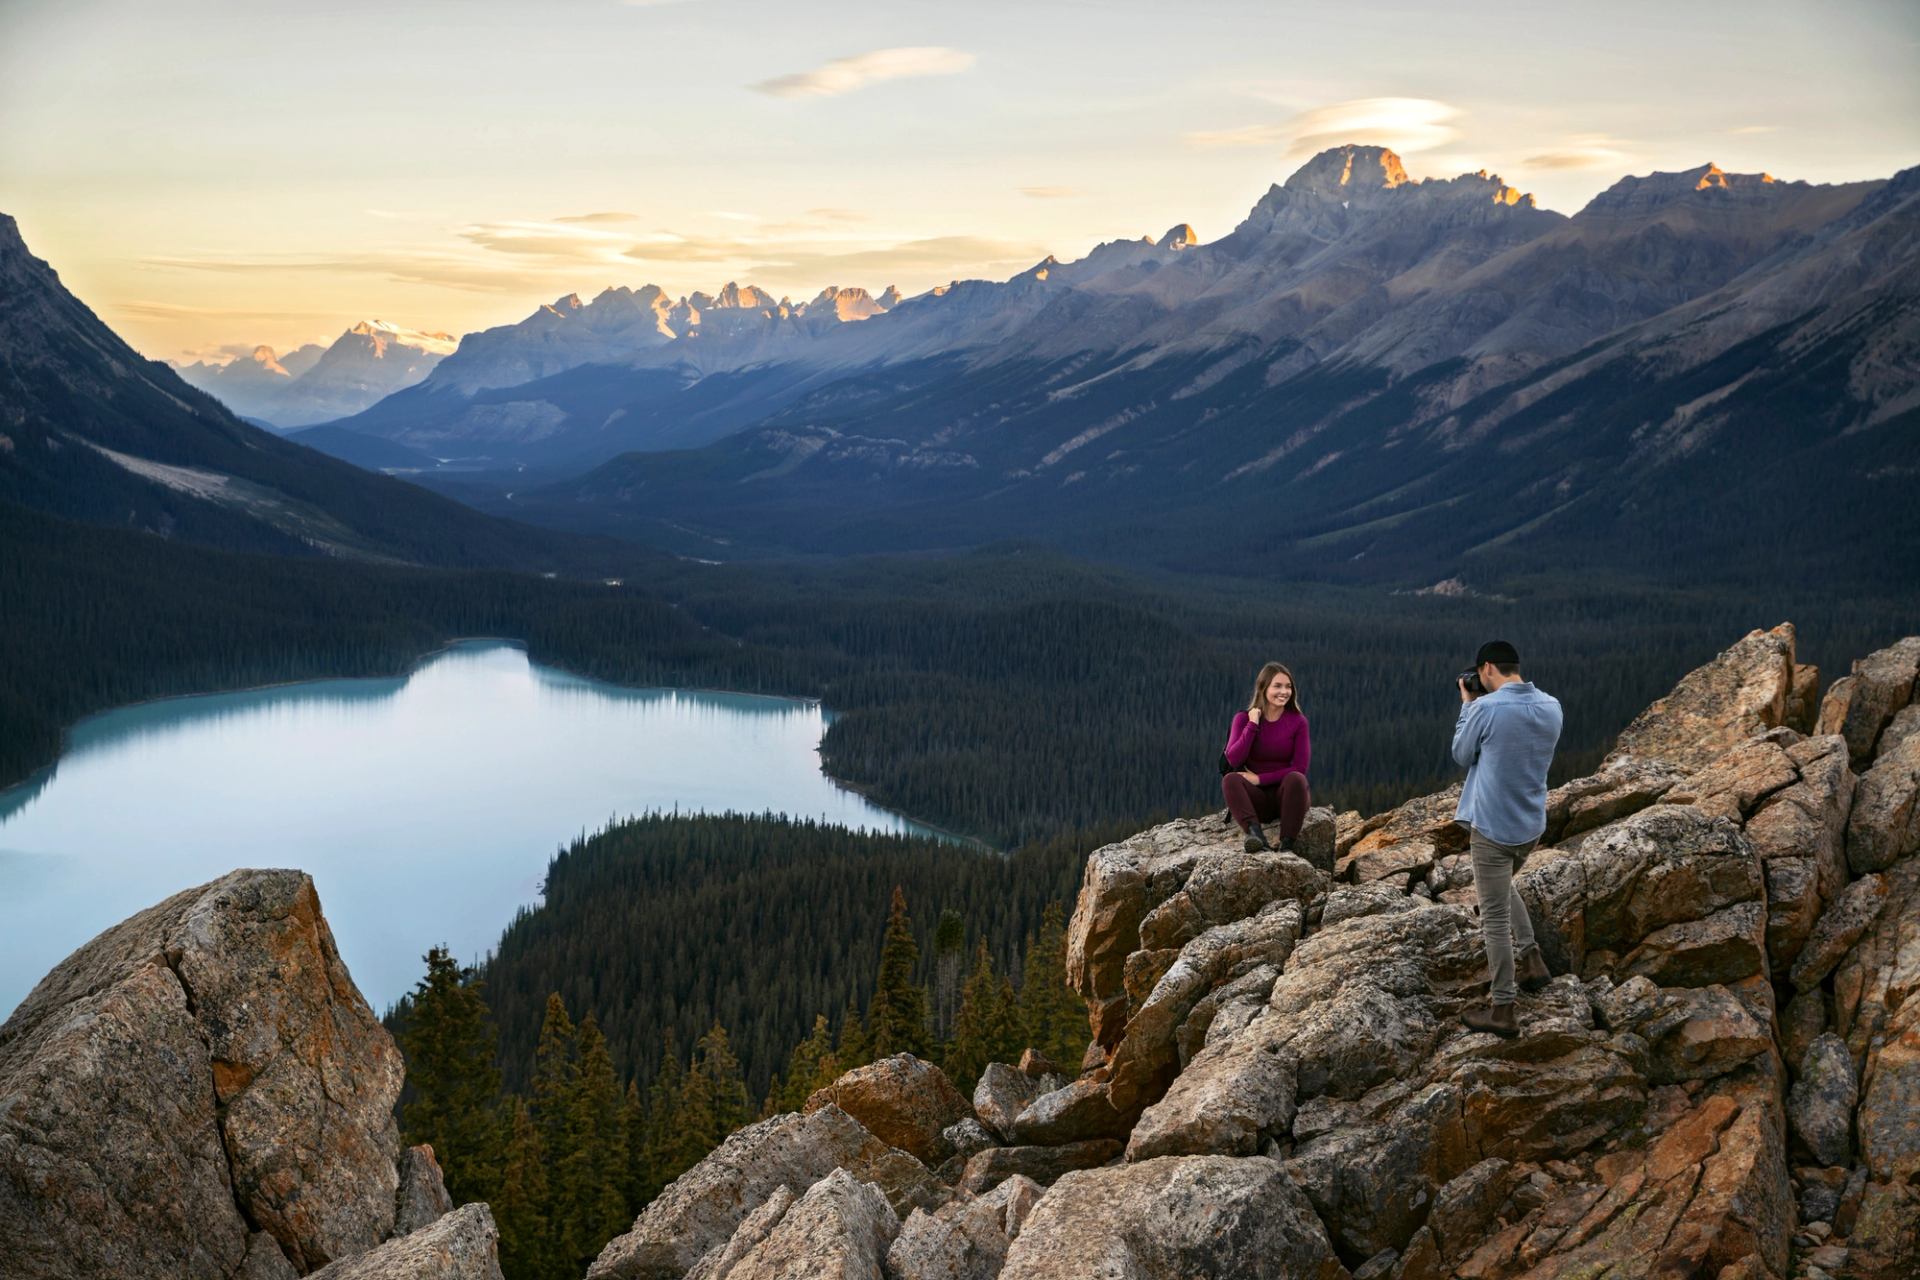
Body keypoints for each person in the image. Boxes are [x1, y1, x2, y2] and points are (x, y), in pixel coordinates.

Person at [1452, 639, 1563, 1038]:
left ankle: (1503, 1008)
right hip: (1530, 827)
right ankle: (1532, 958)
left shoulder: (1484, 707)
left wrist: (1467, 705)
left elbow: (1461, 754)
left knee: (1493, 915)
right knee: (1501, 888)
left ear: (1486, 670)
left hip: (1493, 828)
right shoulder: (1552, 706)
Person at [1222, 661, 1311, 854]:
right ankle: (1257, 837)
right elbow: (1234, 759)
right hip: (1256, 801)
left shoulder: (1298, 722)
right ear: (1263, 688)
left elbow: (1300, 767)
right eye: (1277, 686)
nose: (1284, 692)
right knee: (1230, 780)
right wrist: (1252, 725)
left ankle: (1287, 845)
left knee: (1297, 778)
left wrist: (1260, 778)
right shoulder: (1243, 719)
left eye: (1288, 686)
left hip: (1288, 799)